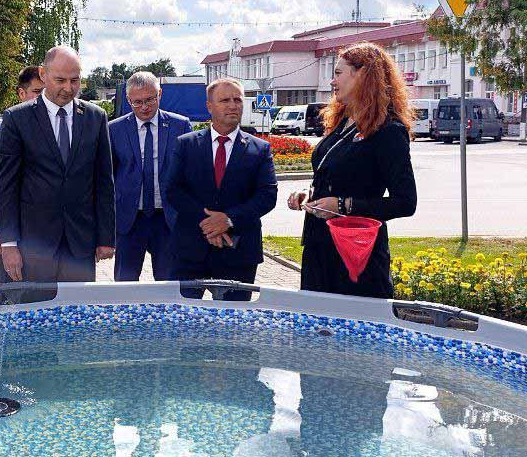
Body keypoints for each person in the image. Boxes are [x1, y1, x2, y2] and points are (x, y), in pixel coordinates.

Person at [288, 41, 416, 298]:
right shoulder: (342, 122)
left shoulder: (388, 131)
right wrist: (310, 195)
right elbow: (335, 174)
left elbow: (405, 203)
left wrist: (343, 205)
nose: (332, 81)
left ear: (363, 75)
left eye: (338, 73)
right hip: (319, 248)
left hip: (356, 255)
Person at [0, 45, 115, 288]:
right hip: (34, 246)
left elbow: (104, 182)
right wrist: (8, 244)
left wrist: (106, 237)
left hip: (80, 245)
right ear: (43, 74)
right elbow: (6, 186)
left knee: (78, 310)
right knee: (36, 310)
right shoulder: (16, 119)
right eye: (60, 80)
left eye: (75, 80)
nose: (68, 88)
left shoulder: (96, 117)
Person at [163, 78, 278, 297]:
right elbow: (173, 190)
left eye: (237, 100)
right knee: (183, 316)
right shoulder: (186, 144)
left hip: (238, 252)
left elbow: (267, 196)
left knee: (233, 317)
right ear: (209, 106)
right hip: (190, 250)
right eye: (225, 100)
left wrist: (228, 220)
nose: (232, 105)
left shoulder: (260, 149)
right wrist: (209, 224)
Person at [109, 71, 191, 281]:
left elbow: (190, 175)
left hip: (167, 219)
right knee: (124, 283)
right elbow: (108, 176)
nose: (144, 107)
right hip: (129, 220)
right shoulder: (114, 129)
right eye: (137, 102)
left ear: (159, 94)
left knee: (168, 284)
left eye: (149, 100)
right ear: (128, 100)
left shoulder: (180, 126)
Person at [0, 65, 44, 299]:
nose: (43, 97)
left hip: (47, 233)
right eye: (37, 92)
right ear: (21, 93)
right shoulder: (4, 130)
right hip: (15, 229)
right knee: (10, 296)